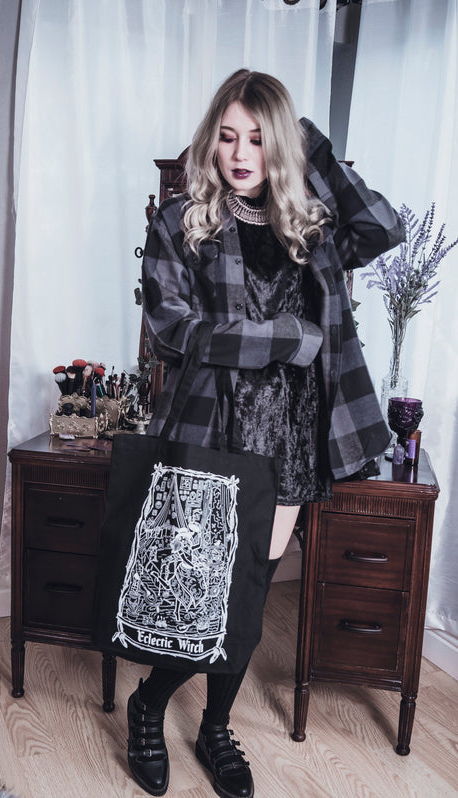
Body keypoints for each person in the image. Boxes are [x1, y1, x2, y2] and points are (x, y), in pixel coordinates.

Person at [129, 69, 404, 798]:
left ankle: (216, 727)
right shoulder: (181, 220)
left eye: (257, 138)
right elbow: (172, 331)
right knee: (199, 589)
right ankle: (149, 704)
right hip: (211, 426)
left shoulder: (307, 224)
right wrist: (280, 338)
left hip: (290, 433)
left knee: (247, 595)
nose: (239, 153)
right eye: (226, 137)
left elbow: (383, 227)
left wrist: (312, 144)